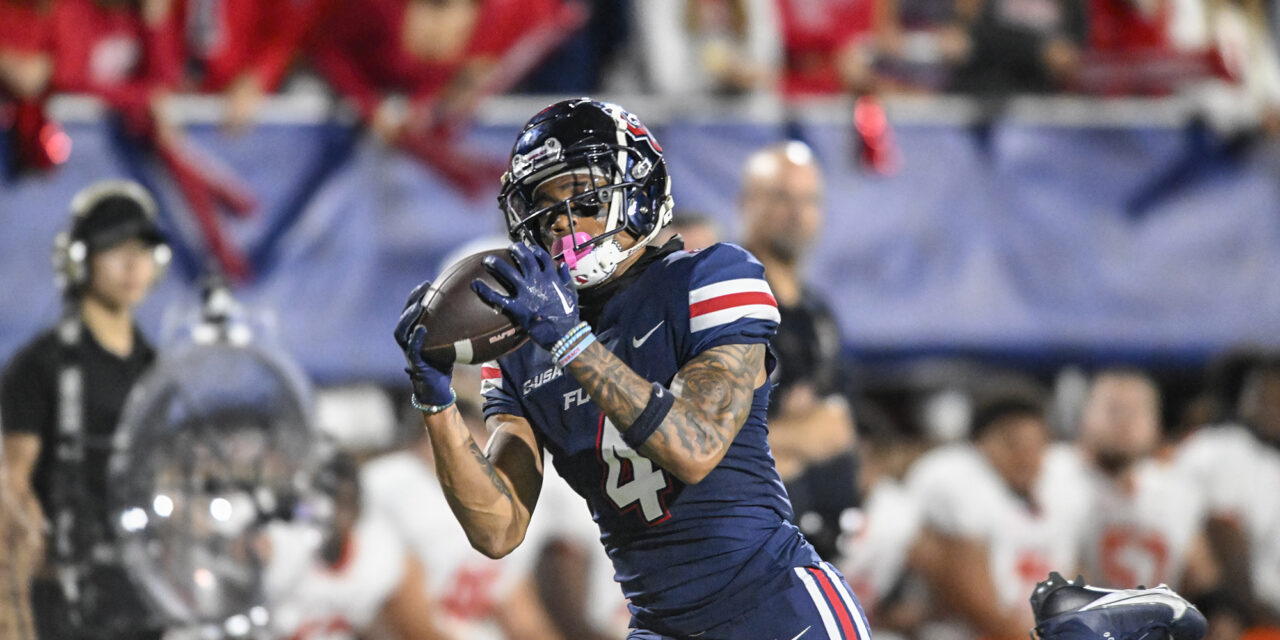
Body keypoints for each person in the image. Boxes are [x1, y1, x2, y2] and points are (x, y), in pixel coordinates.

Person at [394, 98, 871, 640]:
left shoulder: (709, 278)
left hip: (774, 606)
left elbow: (695, 447)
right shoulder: (522, 349)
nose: (563, 223)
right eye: (545, 208)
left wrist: (571, 341)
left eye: (584, 199)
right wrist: (435, 400)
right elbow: (498, 529)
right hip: (659, 625)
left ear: (640, 198)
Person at [1, 179, 171, 640]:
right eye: (115, 248)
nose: (132, 264)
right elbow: (13, 480)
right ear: (80, 260)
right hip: (64, 595)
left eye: (142, 249)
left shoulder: (157, 369)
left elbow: (166, 471)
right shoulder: (41, 365)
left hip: (144, 591)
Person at [739, 140, 858, 562]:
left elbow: (841, 428)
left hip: (825, 543)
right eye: (781, 198)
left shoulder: (818, 313)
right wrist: (798, 436)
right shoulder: (726, 302)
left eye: (809, 201)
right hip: (751, 541)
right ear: (746, 203)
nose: (797, 213)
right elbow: (708, 441)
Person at [906, 393, 1082, 640]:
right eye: (1012, 443)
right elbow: (979, 605)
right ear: (980, 444)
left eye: (1035, 444)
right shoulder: (956, 481)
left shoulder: (1061, 487)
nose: (1025, 456)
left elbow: (1077, 584)